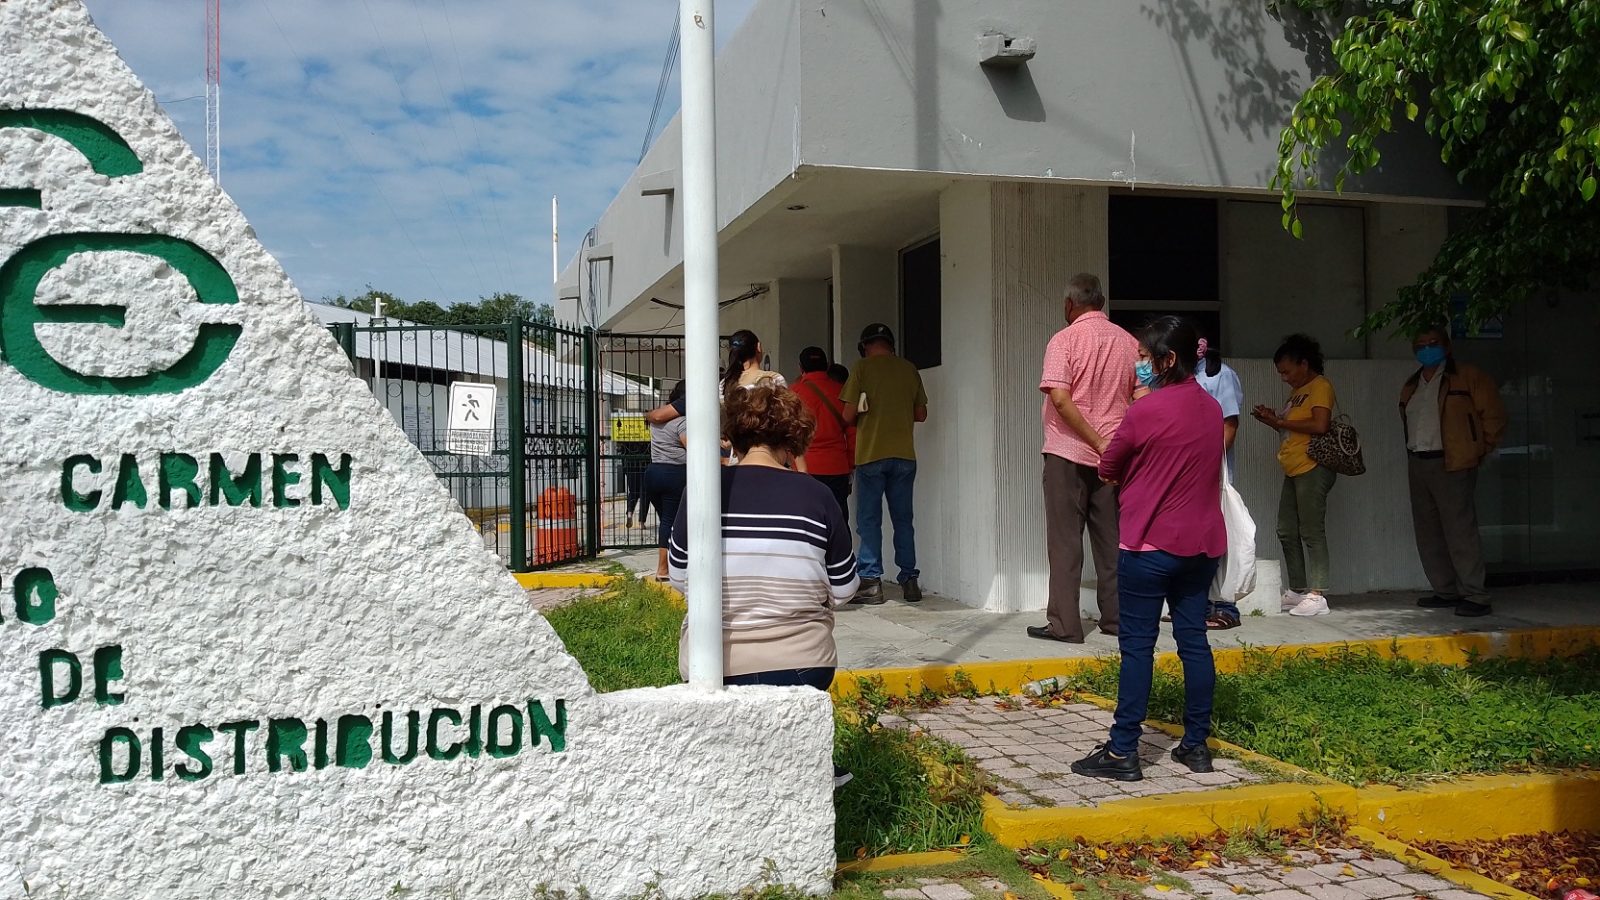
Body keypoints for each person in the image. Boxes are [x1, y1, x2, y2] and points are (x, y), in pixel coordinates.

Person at [667, 383, 858, 786]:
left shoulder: (702, 490)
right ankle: (808, 767)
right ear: (793, 439)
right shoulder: (819, 496)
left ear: (733, 435)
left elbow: (681, 579)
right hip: (804, 666)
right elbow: (844, 589)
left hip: (716, 665)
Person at [1071, 316, 1225, 783]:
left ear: (1167, 359)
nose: (1138, 364)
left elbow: (1109, 465)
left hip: (1147, 544)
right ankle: (1196, 746)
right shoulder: (1212, 409)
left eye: (1143, 356)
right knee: (1194, 642)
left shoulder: (1145, 411)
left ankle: (1123, 751)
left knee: (1137, 648)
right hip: (1201, 546)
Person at [1028, 273, 1139, 644]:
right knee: (1113, 542)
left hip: (1067, 453)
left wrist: (1095, 441)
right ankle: (1118, 620)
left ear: (1069, 304)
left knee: (1065, 543)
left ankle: (1065, 625)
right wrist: (1114, 444)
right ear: (1102, 302)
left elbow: (1060, 399)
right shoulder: (1129, 343)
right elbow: (1143, 398)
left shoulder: (1064, 340)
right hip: (1114, 460)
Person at [1400, 325, 1506, 618]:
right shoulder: (1412, 384)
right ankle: (1445, 590)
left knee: (1460, 531)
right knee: (1428, 532)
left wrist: (1478, 449)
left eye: (1433, 342)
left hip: (1454, 461)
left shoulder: (1468, 376)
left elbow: (1493, 415)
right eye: (1421, 344)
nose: (1427, 348)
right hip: (1419, 461)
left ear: (1447, 346)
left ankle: (1475, 594)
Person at [840, 323, 928, 604]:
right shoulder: (909, 369)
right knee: (903, 520)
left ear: (865, 346)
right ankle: (910, 581)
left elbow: (847, 416)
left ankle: (870, 582)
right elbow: (921, 414)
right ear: (891, 344)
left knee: (869, 520)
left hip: (871, 455)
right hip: (904, 456)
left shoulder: (862, 368)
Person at [1251, 333, 1337, 617]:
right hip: (1293, 466)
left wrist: (1280, 420)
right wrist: (1272, 420)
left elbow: (1320, 425)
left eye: (1287, 371)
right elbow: (1291, 427)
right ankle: (1298, 590)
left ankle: (1318, 593)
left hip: (1313, 466)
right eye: (1281, 373)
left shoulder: (1320, 386)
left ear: (1304, 363)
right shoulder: (1297, 392)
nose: (1284, 377)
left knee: (1312, 529)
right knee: (1286, 529)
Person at [1193, 336, 1245, 630]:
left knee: (1219, 539)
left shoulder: (1221, 375)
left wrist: (1209, 464)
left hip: (1211, 472)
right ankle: (1196, 605)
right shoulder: (1179, 377)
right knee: (1194, 541)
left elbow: (1229, 424)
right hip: (1186, 475)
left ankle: (1225, 607)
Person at [793, 346, 853, 520]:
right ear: (826, 366)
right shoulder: (842, 392)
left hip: (805, 467)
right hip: (837, 466)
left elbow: (787, 433)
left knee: (808, 520)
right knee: (838, 520)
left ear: (801, 368)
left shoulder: (793, 393)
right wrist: (850, 465)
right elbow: (852, 432)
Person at [643, 381, 689, 581]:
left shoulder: (657, 422)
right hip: (674, 473)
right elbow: (691, 446)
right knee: (671, 521)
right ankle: (663, 569)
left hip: (653, 472)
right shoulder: (683, 422)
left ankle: (672, 560)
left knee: (667, 520)